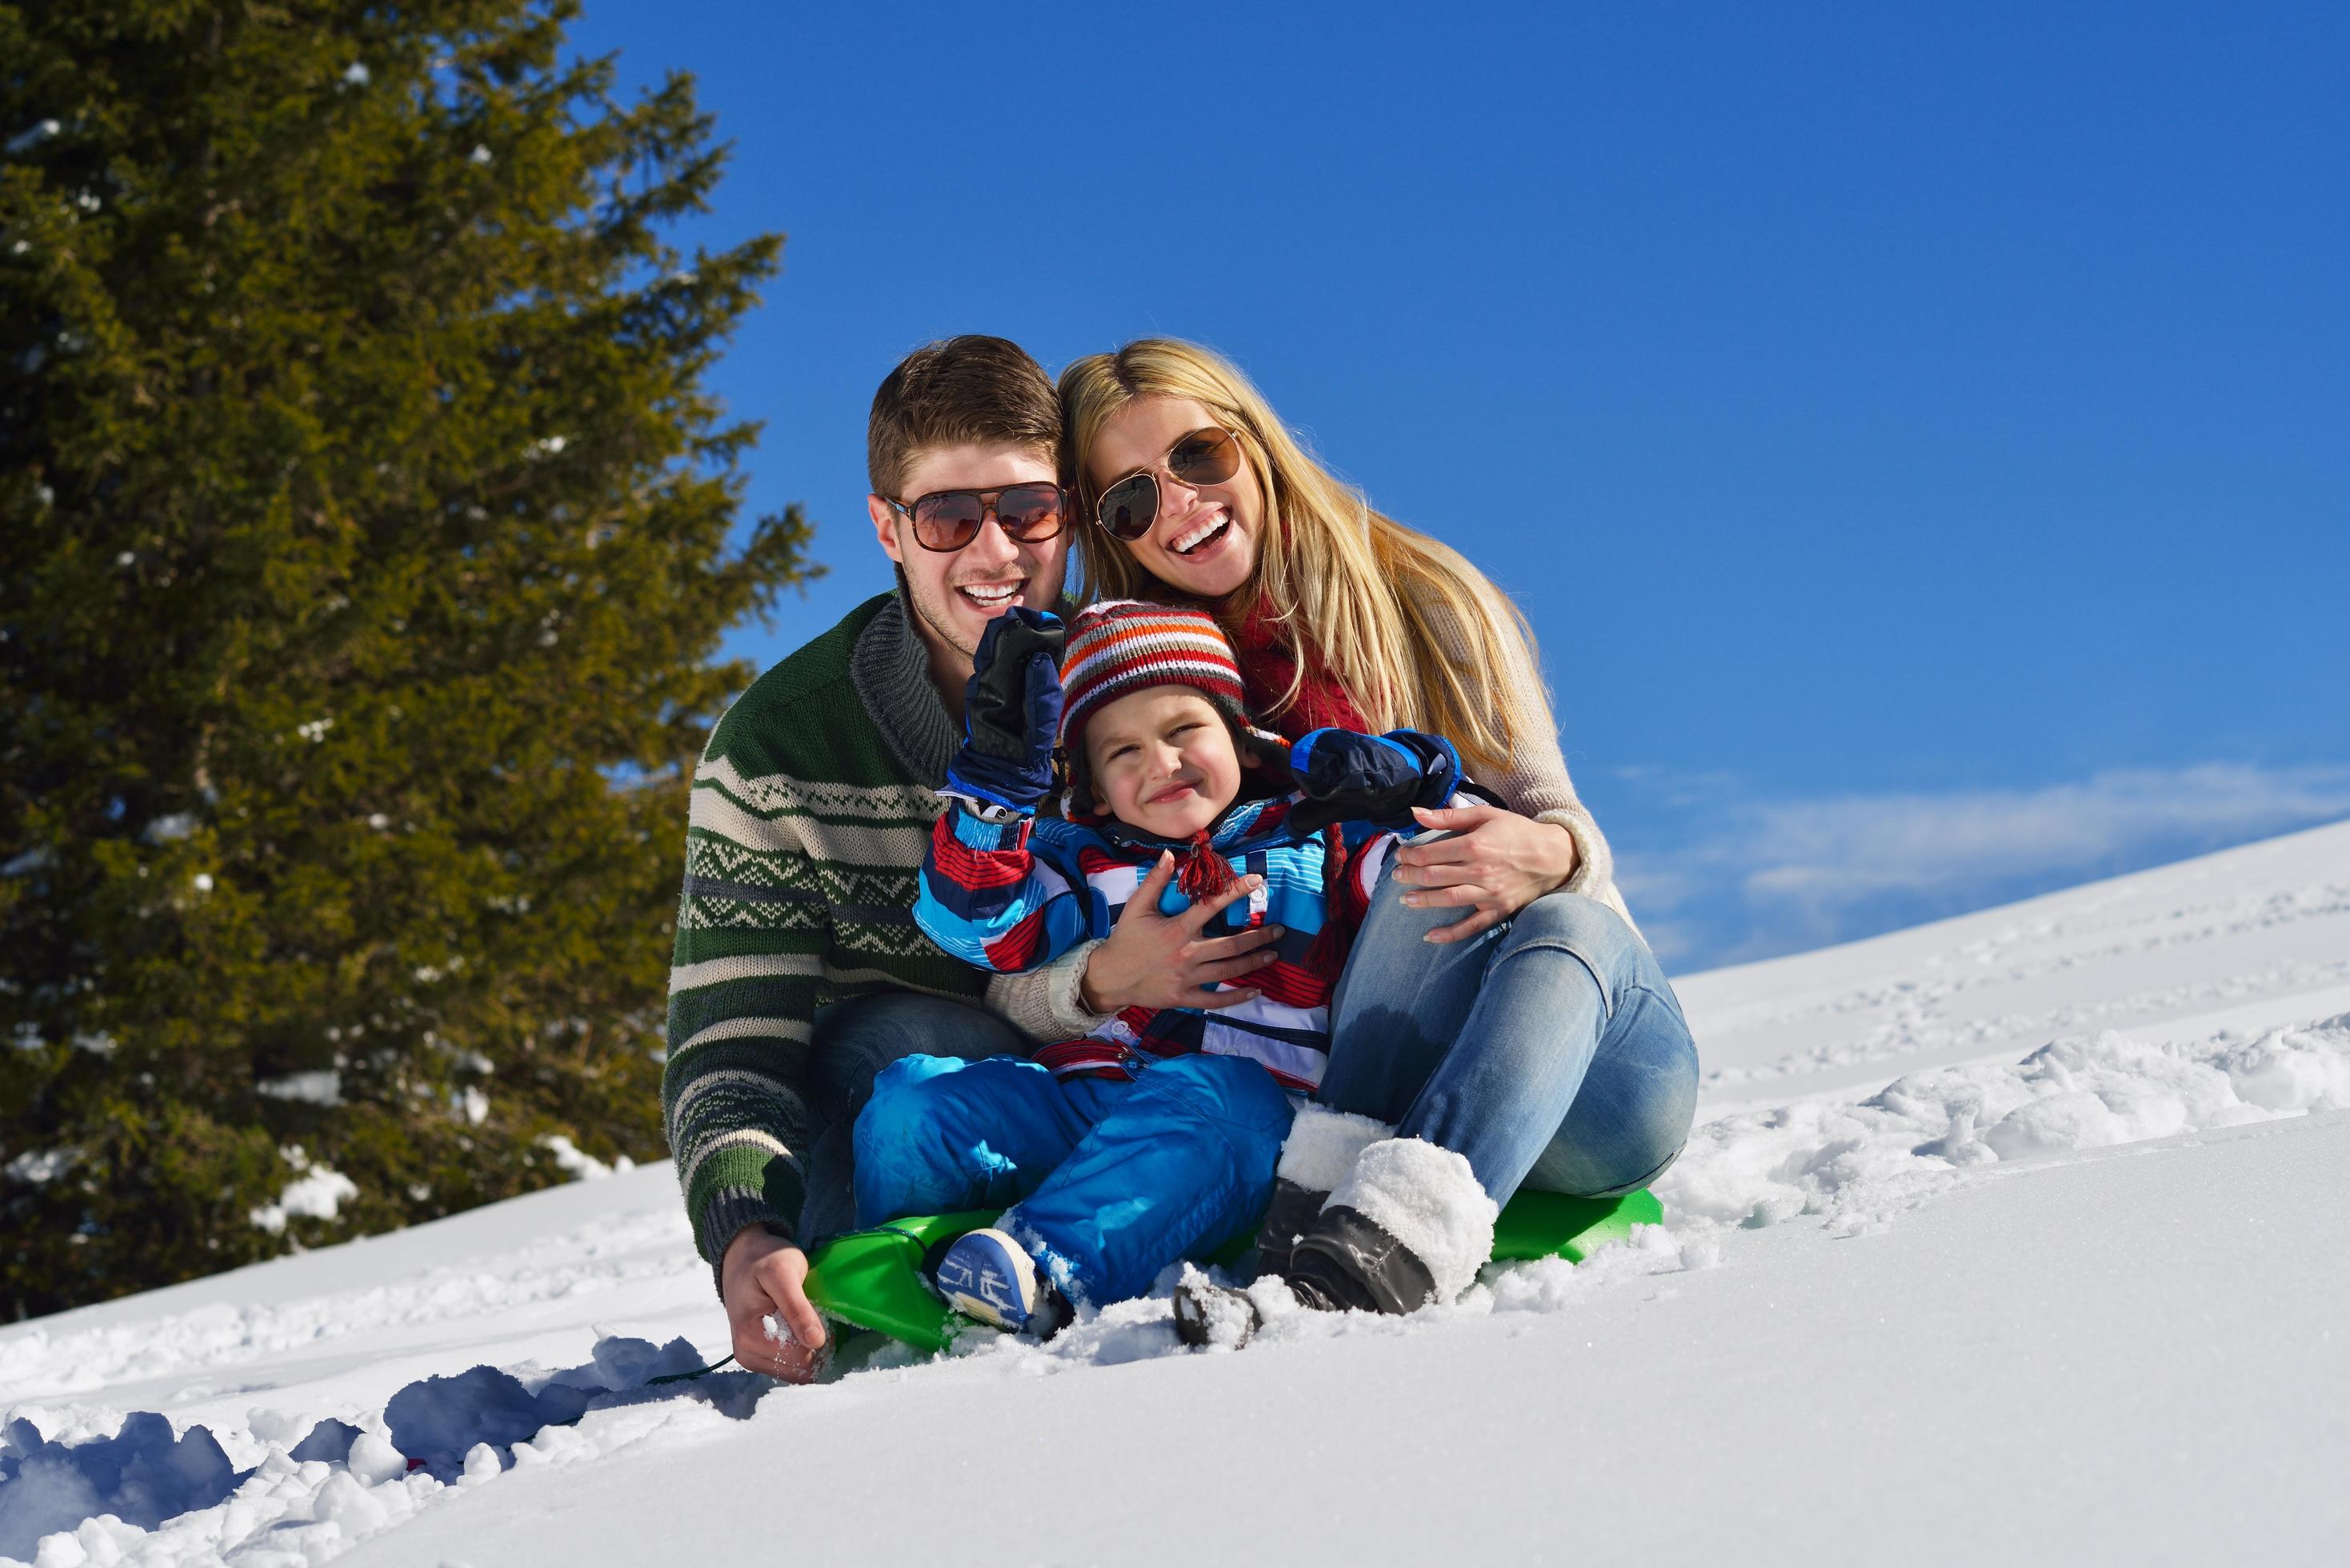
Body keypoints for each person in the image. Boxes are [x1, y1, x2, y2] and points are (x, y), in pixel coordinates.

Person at [1033, 338, 1700, 1317]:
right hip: (1359, 1085)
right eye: (1131, 498)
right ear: (1113, 534)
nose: (1178, 504)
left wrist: (1556, 851)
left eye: (1199, 457)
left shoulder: (1423, 599)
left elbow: (1560, 819)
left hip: (1582, 1077)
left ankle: (1376, 1231)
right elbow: (1029, 939)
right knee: (1398, 862)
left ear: (1254, 445)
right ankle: (1343, 1248)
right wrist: (1101, 979)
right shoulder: (1133, 712)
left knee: (1560, 918)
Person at [661, 338, 1281, 1383]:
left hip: (1141, 1096)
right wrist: (743, 1233)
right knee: (912, 1032)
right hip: (913, 1120)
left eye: (1027, 512)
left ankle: (1126, 1231)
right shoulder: (782, 744)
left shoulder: (1137, 695)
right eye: (949, 518)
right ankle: (908, 1322)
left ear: (1069, 517)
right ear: (888, 528)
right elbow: (731, 1047)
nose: (994, 553)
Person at [851, 599, 1480, 1334]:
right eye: (1123, 753)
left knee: (1227, 1099)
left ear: (1246, 744)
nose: (1161, 762)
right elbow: (969, 925)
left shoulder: (1315, 843)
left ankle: (1040, 1270)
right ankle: (894, 1271)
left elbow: (1426, 878)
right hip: (1083, 1107)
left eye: (1184, 730)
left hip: (1238, 1125)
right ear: (1093, 785)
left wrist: (1413, 781)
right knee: (913, 1097)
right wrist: (991, 801)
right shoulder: (1077, 862)